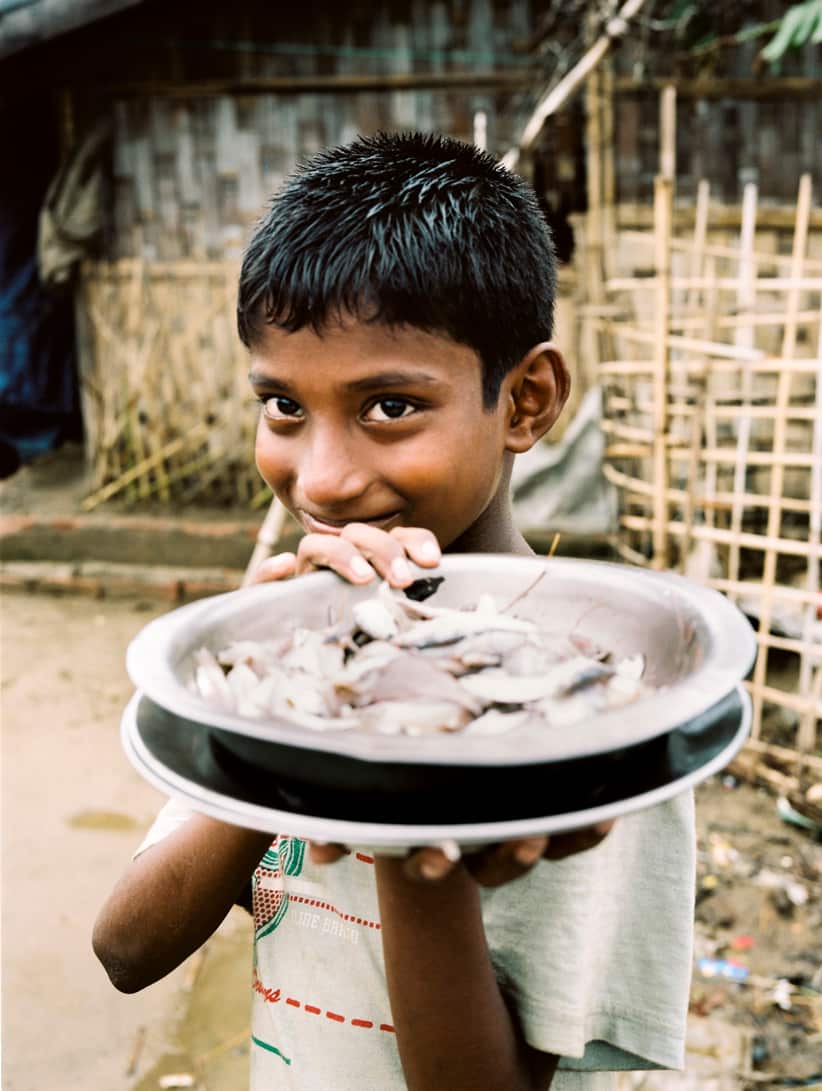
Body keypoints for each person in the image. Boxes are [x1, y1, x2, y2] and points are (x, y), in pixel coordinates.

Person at [93, 132, 694, 1091]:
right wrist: (272, 726)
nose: (322, 481)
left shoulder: (598, 714)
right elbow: (128, 946)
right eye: (284, 405)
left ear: (525, 401)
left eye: (388, 407)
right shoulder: (297, 645)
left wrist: (408, 828)